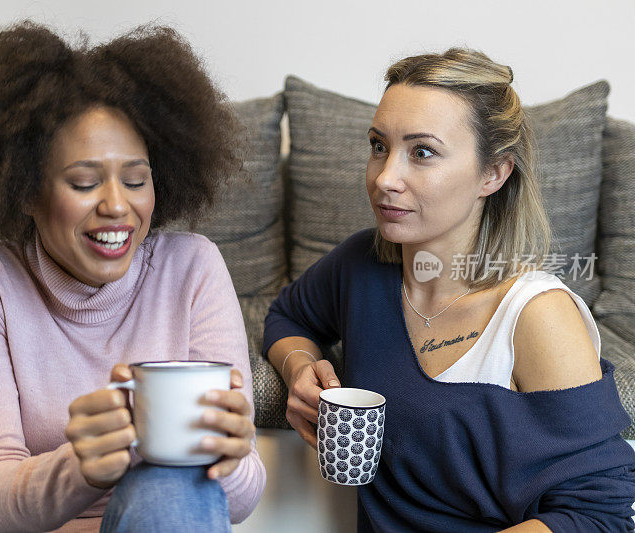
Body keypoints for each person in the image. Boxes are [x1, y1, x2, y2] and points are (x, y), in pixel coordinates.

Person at [264, 48, 635, 532]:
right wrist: (297, 370)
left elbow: (602, 515)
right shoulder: (360, 266)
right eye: (379, 146)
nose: (384, 178)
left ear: (493, 174)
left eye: (422, 152)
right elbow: (288, 318)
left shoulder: (537, 315)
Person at [0, 21, 265, 533]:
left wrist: (233, 457)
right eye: (84, 182)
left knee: (174, 482)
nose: (117, 206)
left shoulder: (193, 266)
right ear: (25, 190)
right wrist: (81, 467)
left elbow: (235, 503)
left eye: (136, 180)